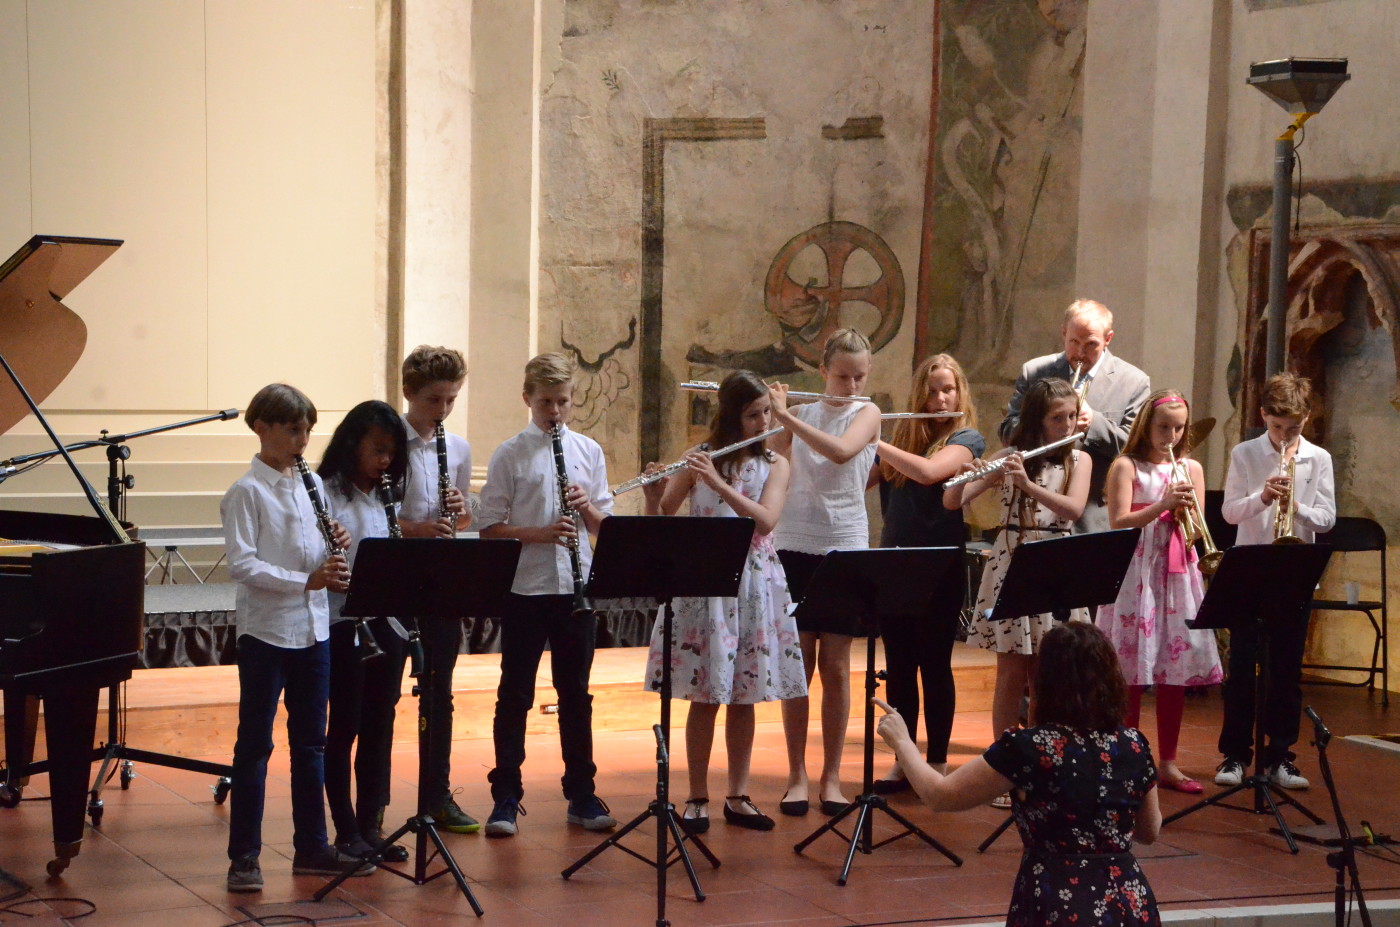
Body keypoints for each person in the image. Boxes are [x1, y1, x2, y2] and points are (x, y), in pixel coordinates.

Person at [876, 621, 1162, 927]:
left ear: (1045, 680)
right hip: (1128, 901)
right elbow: (1149, 831)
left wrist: (903, 743)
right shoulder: (1133, 744)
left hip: (1058, 901)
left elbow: (940, 796)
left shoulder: (1030, 747)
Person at [221, 384, 373, 892]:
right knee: (254, 747)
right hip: (266, 633)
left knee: (311, 744)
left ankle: (312, 847)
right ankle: (244, 857)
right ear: (261, 428)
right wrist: (307, 580)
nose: (303, 439)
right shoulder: (246, 492)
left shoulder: (312, 485)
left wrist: (335, 545)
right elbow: (243, 565)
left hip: (314, 630)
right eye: (292, 429)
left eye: (307, 429)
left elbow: (314, 553)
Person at [640, 370, 806, 832]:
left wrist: (717, 484)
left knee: (744, 695)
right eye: (753, 415)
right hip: (706, 581)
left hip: (754, 582)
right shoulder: (699, 459)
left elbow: (765, 521)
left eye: (766, 412)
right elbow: (662, 520)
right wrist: (654, 496)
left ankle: (737, 795)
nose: (763, 422)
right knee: (705, 694)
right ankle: (697, 796)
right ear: (731, 416)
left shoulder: (776, 463)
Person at [477, 352, 617, 837]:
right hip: (525, 590)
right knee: (514, 694)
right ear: (527, 400)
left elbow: (604, 528)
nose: (554, 411)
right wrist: (540, 533)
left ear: (572, 399)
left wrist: (587, 508)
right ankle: (506, 796)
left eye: (562, 402)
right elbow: (489, 529)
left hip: (576, 589)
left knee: (575, 694)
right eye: (545, 403)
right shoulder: (509, 454)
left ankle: (581, 793)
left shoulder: (588, 451)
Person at [948, 377, 1089, 807]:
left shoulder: (1079, 459)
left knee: (1048, 675)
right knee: (1010, 672)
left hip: (1056, 561)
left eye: (1071, 416)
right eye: (1057, 418)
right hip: (1012, 558)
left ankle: (1045, 767)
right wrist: (973, 475)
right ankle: (1006, 771)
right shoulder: (1011, 455)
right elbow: (952, 502)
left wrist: (1027, 484)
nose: (1067, 425)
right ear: (1036, 420)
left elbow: (1074, 509)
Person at [770, 328, 883, 816]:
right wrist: (774, 419)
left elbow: (841, 452)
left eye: (859, 376)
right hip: (793, 544)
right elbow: (772, 461)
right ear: (822, 371)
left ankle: (832, 776)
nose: (852, 386)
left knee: (835, 668)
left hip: (844, 547)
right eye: (842, 377)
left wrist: (786, 418)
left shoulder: (868, 413)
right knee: (799, 667)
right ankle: (796, 774)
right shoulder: (801, 414)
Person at [1095, 390, 1223, 794]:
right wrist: (1163, 504)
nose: (1171, 435)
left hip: (1176, 572)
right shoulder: (1126, 465)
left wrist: (1184, 510)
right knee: (1129, 672)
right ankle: (1125, 762)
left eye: (1179, 428)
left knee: (1175, 671)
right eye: (1163, 427)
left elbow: (1197, 528)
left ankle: (1167, 762)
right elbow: (1119, 520)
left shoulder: (1191, 468)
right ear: (1146, 426)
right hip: (1137, 571)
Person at [868, 353, 985, 792]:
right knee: (899, 667)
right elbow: (856, 483)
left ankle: (936, 763)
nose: (940, 399)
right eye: (932, 391)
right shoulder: (903, 439)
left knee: (935, 664)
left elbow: (930, 473)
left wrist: (871, 439)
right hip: (895, 564)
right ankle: (904, 761)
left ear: (959, 393)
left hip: (940, 566)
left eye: (947, 390)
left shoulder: (967, 438)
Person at [1215, 373, 1336, 790]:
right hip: (1249, 572)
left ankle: (1281, 756)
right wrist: (1263, 497)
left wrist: (1296, 507)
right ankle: (1235, 755)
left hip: (1294, 574)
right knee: (1242, 668)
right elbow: (1230, 512)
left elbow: (1327, 518)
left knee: (1285, 670)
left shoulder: (1318, 458)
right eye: (1277, 426)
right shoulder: (1245, 453)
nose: (1285, 436)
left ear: (1307, 419)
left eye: (1294, 428)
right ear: (1264, 415)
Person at [317, 400, 412, 861]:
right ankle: (345, 829)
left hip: (384, 622)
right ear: (352, 443)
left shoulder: (385, 496)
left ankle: (372, 823)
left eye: (391, 452)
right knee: (345, 726)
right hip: (342, 623)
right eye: (377, 449)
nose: (385, 460)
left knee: (380, 724)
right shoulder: (325, 493)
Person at [397, 346, 477, 833]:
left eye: (450, 400)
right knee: (381, 696)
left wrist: (460, 511)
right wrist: (417, 529)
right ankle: (372, 809)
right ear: (408, 392)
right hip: (393, 579)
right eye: (433, 400)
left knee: (439, 693)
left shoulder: (458, 449)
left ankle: (437, 796)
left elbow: (462, 520)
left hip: (440, 582)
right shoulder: (388, 442)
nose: (442, 410)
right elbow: (369, 517)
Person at [999, 299, 1151, 533]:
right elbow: (1008, 430)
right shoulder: (1035, 371)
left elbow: (1136, 450)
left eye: (1091, 344)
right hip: (1032, 511)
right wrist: (1046, 425)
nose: (1080, 353)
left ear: (1108, 339)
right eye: (1074, 342)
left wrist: (1094, 423)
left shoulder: (1133, 381)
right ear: (1063, 333)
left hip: (1094, 516)